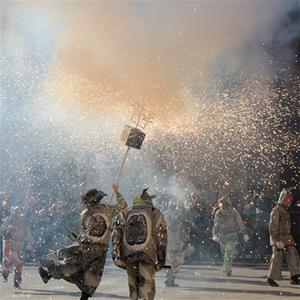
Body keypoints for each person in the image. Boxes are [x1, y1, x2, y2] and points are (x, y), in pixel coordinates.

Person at [38, 185, 127, 300]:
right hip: (100, 250)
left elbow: (87, 231)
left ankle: (49, 274)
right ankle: (50, 275)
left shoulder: (84, 214)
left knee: (72, 265)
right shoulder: (107, 209)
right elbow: (123, 206)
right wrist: (117, 192)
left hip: (87, 246)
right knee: (92, 277)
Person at [112, 188, 167, 300]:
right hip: (147, 253)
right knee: (147, 290)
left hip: (129, 254)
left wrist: (116, 254)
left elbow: (116, 234)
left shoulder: (125, 212)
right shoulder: (154, 213)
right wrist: (161, 260)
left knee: (133, 289)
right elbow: (162, 238)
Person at [267, 188, 300, 287]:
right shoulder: (276, 210)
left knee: (293, 255)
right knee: (277, 258)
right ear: (283, 199)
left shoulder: (285, 211)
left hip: (287, 237)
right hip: (279, 237)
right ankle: (271, 277)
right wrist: (277, 240)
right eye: (287, 199)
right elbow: (273, 226)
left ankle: (294, 275)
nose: (289, 202)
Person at [212, 196, 249, 276]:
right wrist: (215, 234)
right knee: (226, 253)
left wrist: (244, 233)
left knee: (228, 252)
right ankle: (226, 267)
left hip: (231, 235)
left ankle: (227, 269)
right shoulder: (219, 212)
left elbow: (240, 222)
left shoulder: (233, 212)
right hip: (222, 236)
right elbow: (216, 224)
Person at [1, 206, 33, 288]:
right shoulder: (8, 220)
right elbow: (3, 231)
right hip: (9, 242)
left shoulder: (24, 222)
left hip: (19, 244)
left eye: (18, 212)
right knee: (6, 260)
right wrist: (8, 229)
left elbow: (28, 233)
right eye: (15, 212)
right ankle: (5, 273)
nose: (17, 214)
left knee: (19, 263)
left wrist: (30, 242)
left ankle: (16, 280)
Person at [164, 202, 186, 287]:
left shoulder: (176, 218)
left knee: (175, 263)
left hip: (176, 244)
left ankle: (171, 280)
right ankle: (169, 280)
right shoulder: (167, 216)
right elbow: (170, 226)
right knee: (171, 262)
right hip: (170, 244)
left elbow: (180, 230)